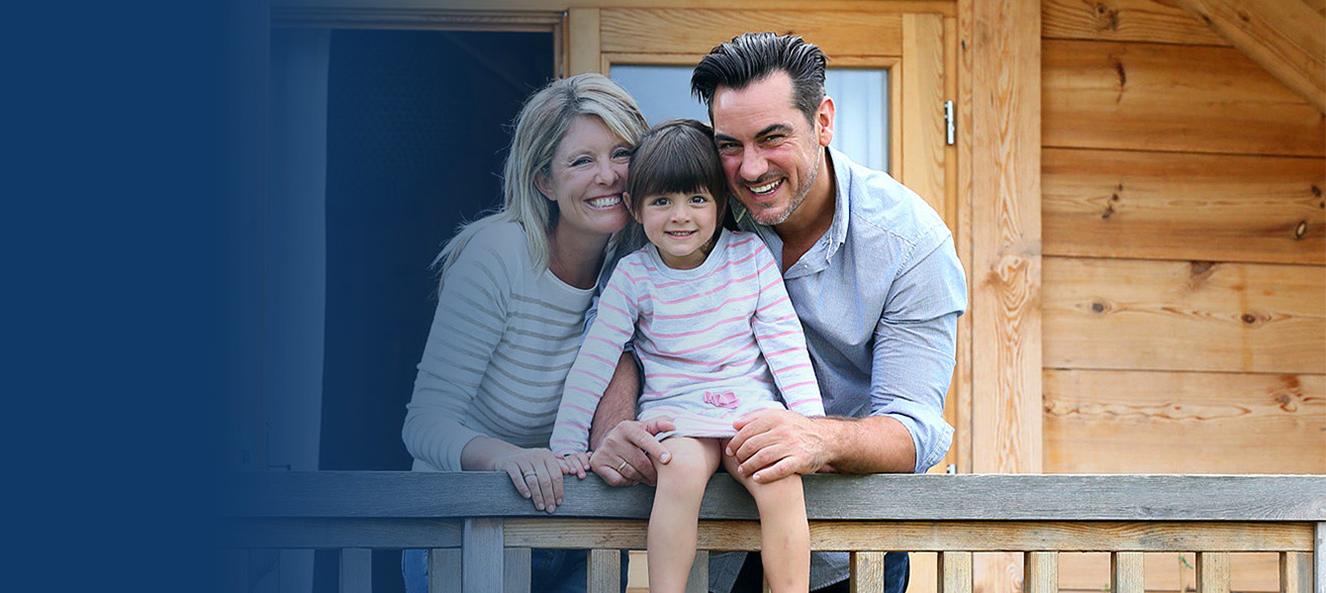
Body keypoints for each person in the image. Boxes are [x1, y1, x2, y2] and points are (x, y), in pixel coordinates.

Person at [585, 33, 968, 593]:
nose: (750, 168)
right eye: (730, 145)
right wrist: (614, 429)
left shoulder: (911, 244)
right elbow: (614, 331)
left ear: (823, 122)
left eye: (772, 138)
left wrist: (819, 437)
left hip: (841, 551)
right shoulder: (684, 205)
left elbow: (913, 427)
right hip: (703, 541)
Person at [549, 119, 822, 593]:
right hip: (676, 418)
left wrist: (810, 427)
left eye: (697, 199)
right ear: (635, 207)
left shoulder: (749, 257)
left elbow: (785, 344)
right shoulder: (634, 277)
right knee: (676, 474)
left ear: (721, 202)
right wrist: (568, 443)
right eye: (662, 201)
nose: (680, 216)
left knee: (779, 482)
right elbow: (595, 361)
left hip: (749, 414)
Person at [399, 72, 648, 593]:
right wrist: (510, 458)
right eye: (582, 161)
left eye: (622, 153)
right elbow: (424, 425)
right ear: (544, 182)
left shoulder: (641, 270)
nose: (609, 176)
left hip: (575, 529)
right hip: (463, 525)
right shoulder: (498, 257)